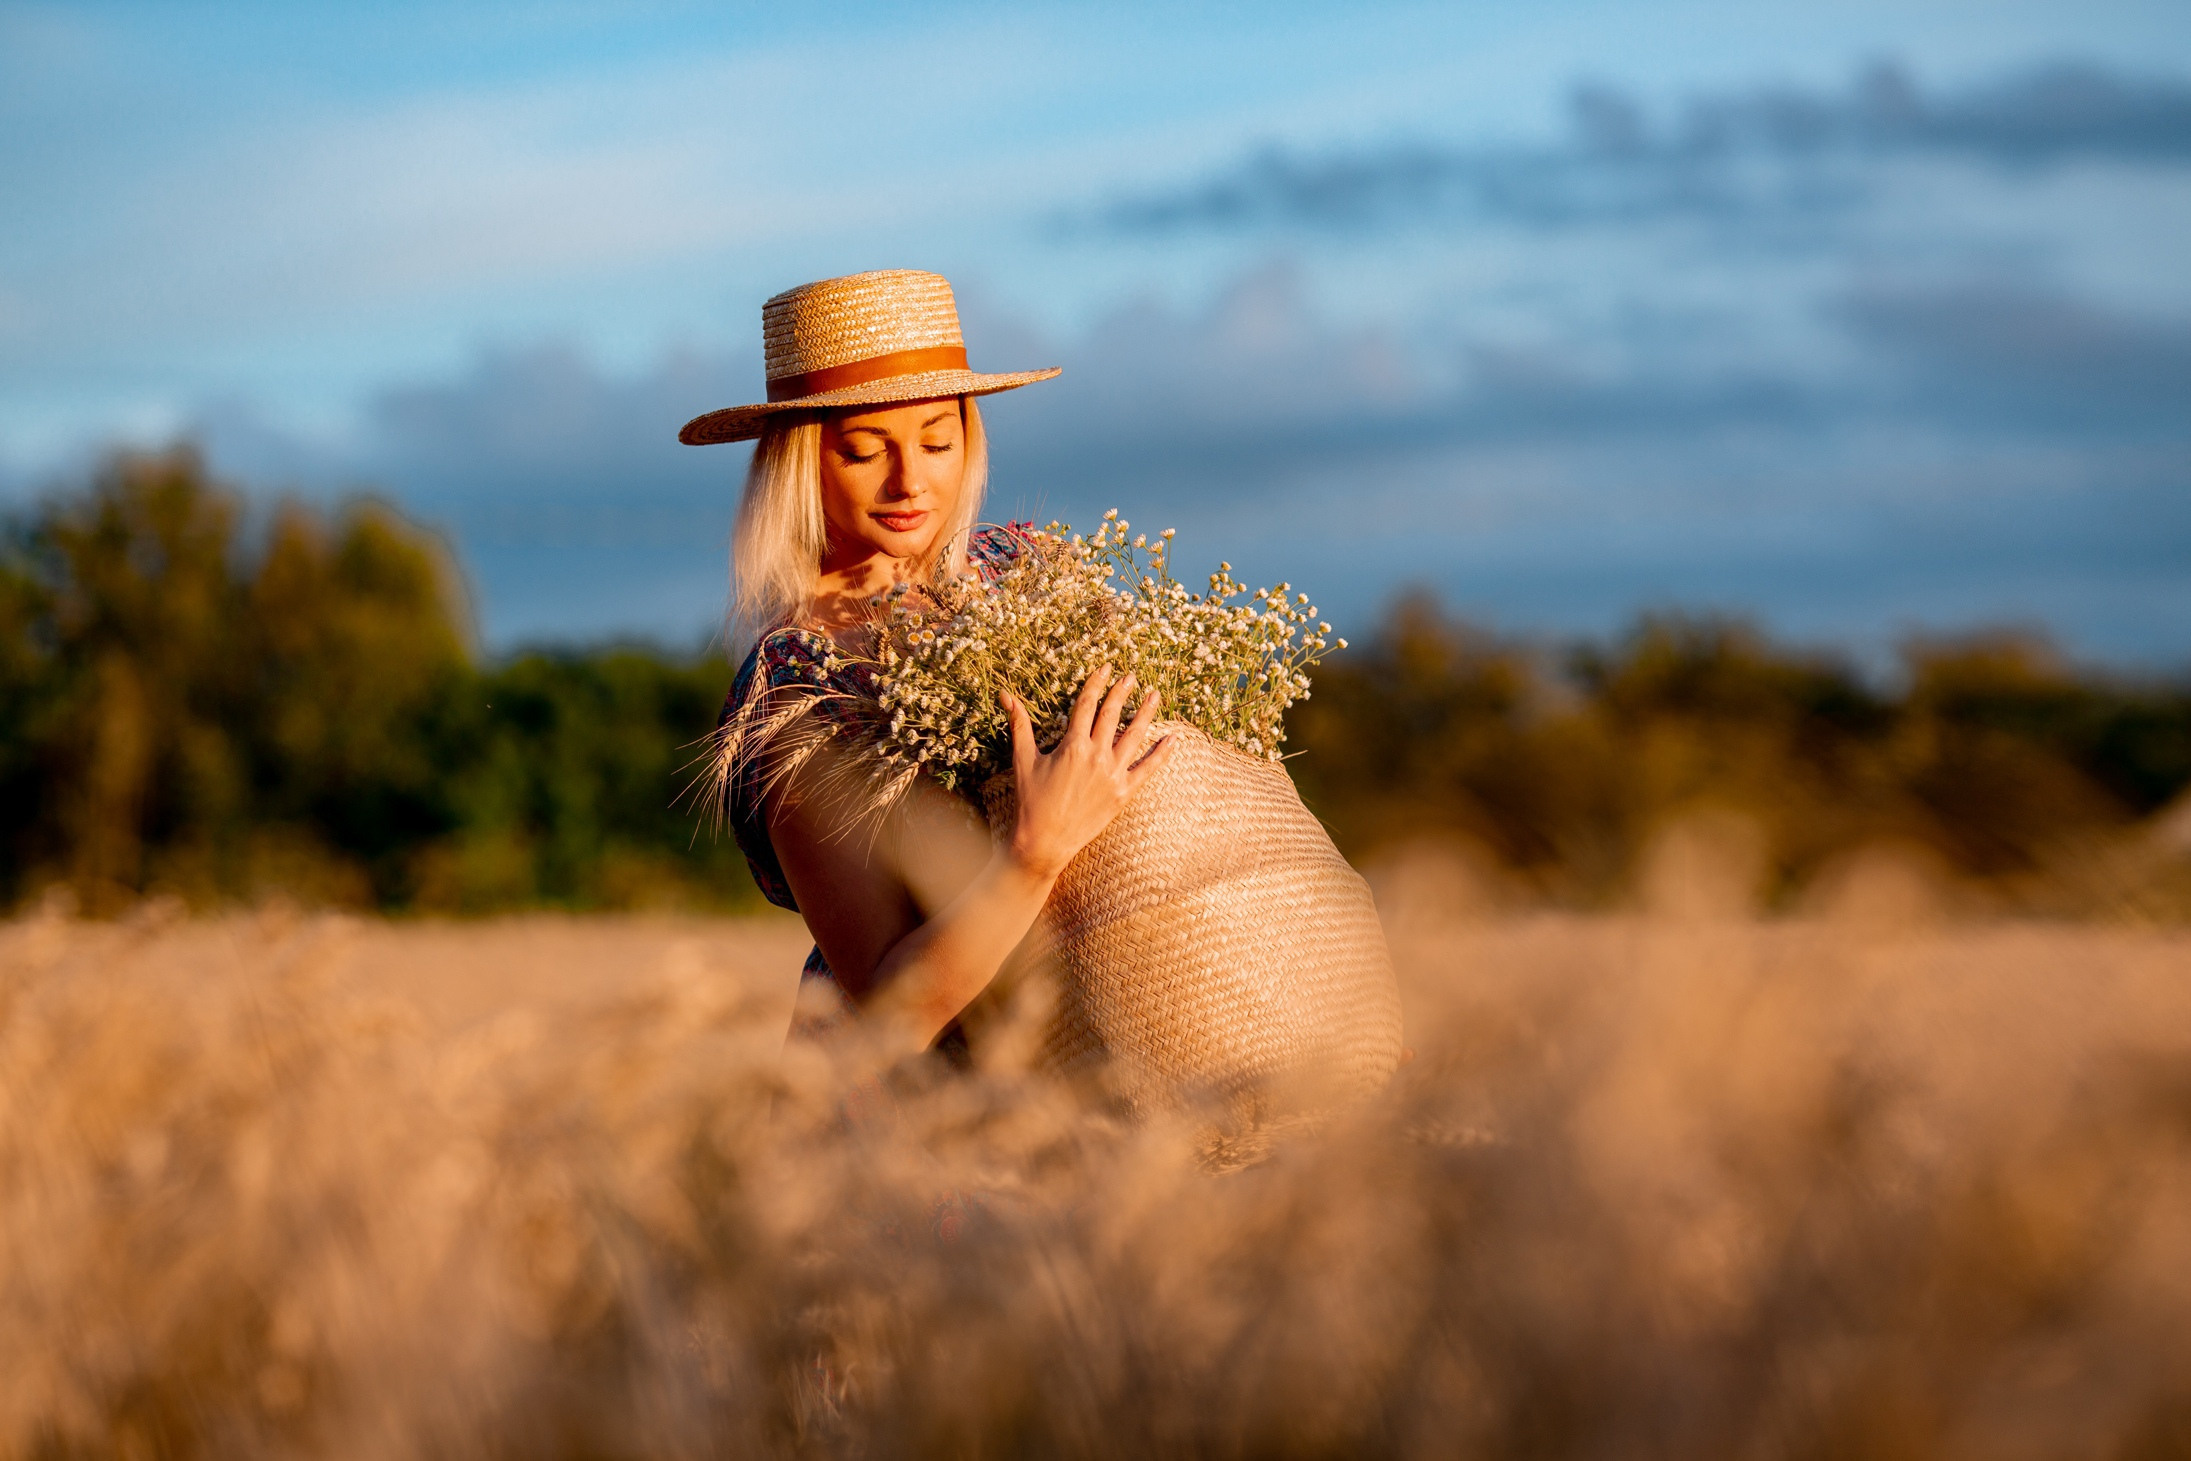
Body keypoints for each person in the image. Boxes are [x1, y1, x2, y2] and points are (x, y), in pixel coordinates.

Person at [680, 269, 1177, 1057]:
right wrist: (1035, 850)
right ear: (802, 463)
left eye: (936, 441)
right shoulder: (797, 696)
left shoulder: (1024, 571)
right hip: (931, 1134)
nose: (910, 480)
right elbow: (889, 1014)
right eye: (865, 450)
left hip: (1116, 1062)